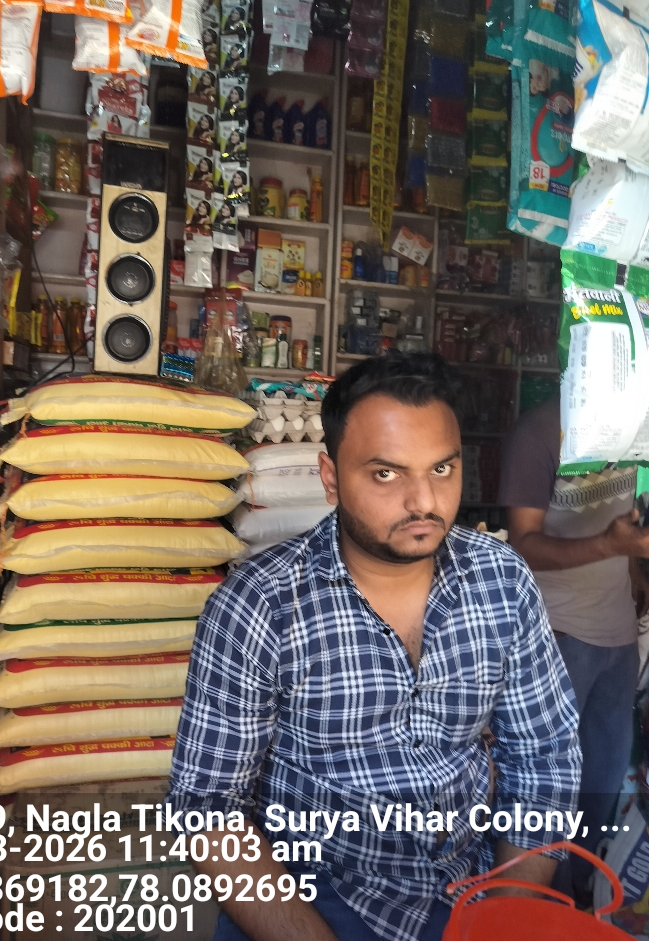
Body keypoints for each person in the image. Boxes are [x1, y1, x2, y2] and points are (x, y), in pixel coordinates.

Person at [168, 354, 581, 941]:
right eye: (386, 474)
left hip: (462, 892)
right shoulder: (260, 606)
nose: (423, 501)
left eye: (442, 469)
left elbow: (544, 757)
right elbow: (208, 812)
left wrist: (506, 913)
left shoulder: (501, 581)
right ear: (331, 478)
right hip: (310, 896)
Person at [499, 395, 646, 900]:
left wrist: (631, 568)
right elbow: (522, 544)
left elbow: (625, 516)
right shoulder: (541, 431)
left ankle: (580, 901)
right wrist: (613, 546)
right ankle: (543, 907)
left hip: (618, 636)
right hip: (558, 635)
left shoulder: (632, 430)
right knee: (547, 788)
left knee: (601, 784)